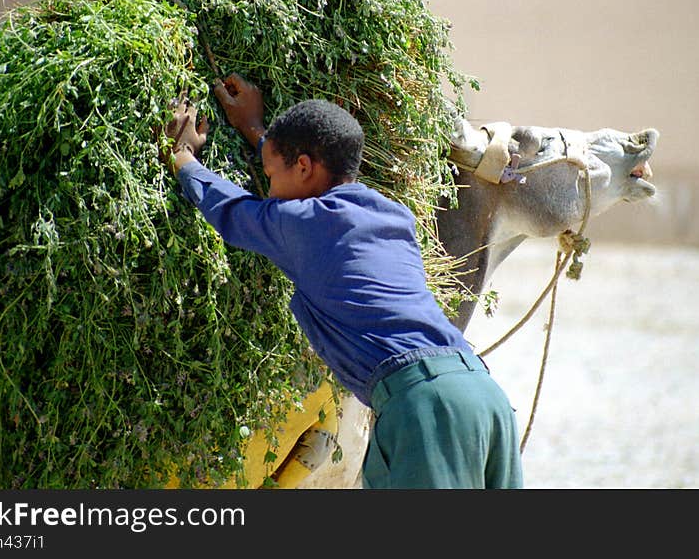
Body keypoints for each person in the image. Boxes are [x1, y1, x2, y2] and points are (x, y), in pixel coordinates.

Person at [163, 73, 524, 489]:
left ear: (303, 166)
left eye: (270, 174)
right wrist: (256, 130)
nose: (271, 189)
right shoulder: (392, 215)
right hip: (483, 395)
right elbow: (300, 178)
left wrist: (184, 156)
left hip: (425, 405)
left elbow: (231, 212)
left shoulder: (303, 223)